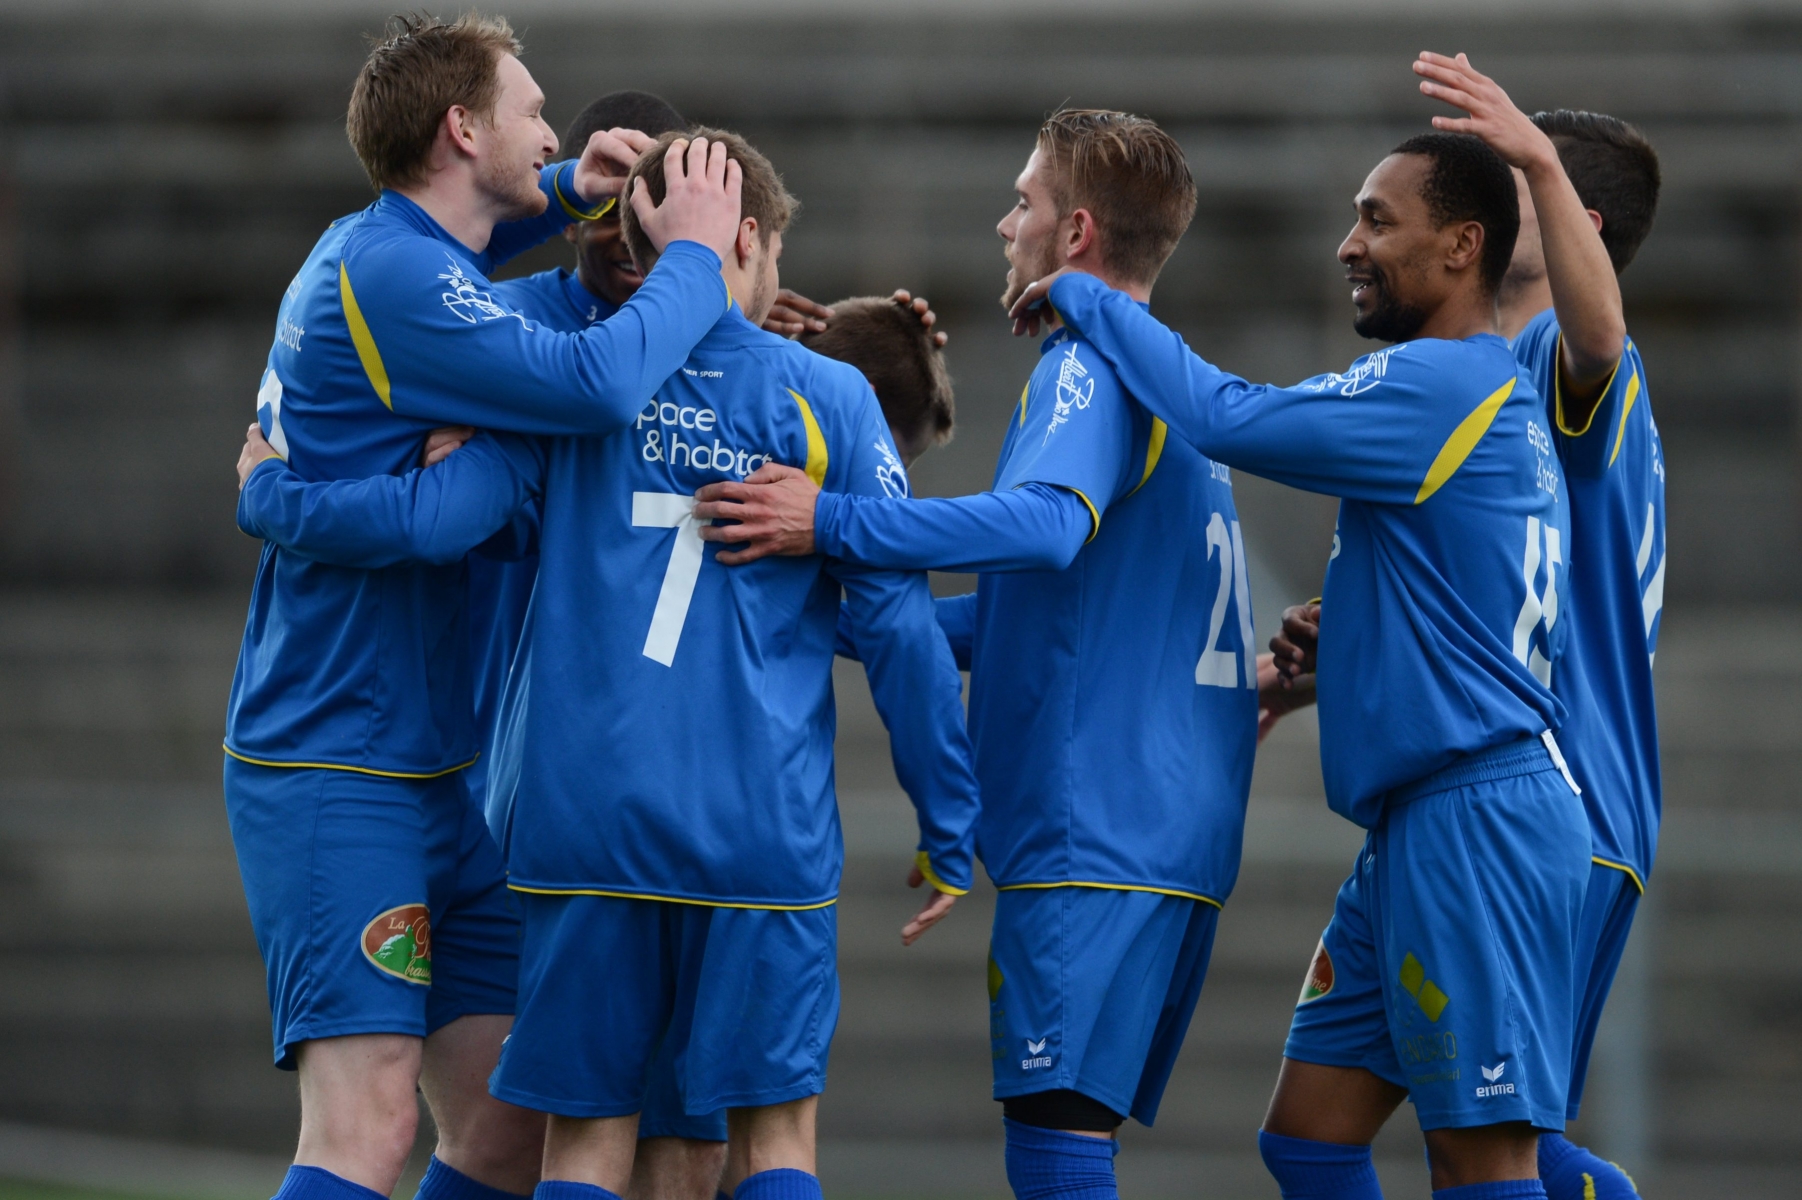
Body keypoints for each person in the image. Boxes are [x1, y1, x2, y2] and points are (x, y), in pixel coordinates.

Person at [239, 126, 979, 1200]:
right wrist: (947, 821)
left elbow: (445, 521)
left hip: (583, 828)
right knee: (771, 1141)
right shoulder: (825, 398)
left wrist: (276, 495)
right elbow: (900, 634)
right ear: (754, 239)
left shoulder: (575, 396)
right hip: (757, 833)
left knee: (580, 1144)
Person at [694, 109, 1261, 1200]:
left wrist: (835, 524)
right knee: (1077, 1140)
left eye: (1023, 203)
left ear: (1077, 232)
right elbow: (1021, 618)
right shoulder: (1175, 385)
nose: (1006, 226)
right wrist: (828, 594)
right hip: (1169, 829)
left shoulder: (1085, 365)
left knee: (1053, 1155)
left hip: (1092, 822)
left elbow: (1043, 525)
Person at [223, 13, 741, 1200]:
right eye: (533, 114)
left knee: (509, 1125)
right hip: (334, 759)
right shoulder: (396, 273)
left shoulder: (414, 257)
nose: (553, 132)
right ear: (462, 128)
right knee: (365, 1128)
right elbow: (600, 386)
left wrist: (567, 185)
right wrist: (697, 255)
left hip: (433, 765)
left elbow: (442, 510)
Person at [1008, 129, 1583, 1199]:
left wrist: (1089, 300)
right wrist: (1354, 648)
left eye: (1376, 220)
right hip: (1418, 820)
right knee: (1308, 1137)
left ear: (1462, 247)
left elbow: (1226, 417)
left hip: (1475, 820)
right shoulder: (1468, 388)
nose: (1345, 245)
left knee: (1483, 1161)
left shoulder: (1438, 383)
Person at [1420, 57, 1664, 1200]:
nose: (1491, 191)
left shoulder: (1572, 362)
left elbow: (1599, 341)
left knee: (1504, 1146)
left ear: (1580, 221)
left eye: (1522, 177)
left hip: (1558, 796)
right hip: (1534, 792)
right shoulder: (1508, 369)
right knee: (1344, 1129)